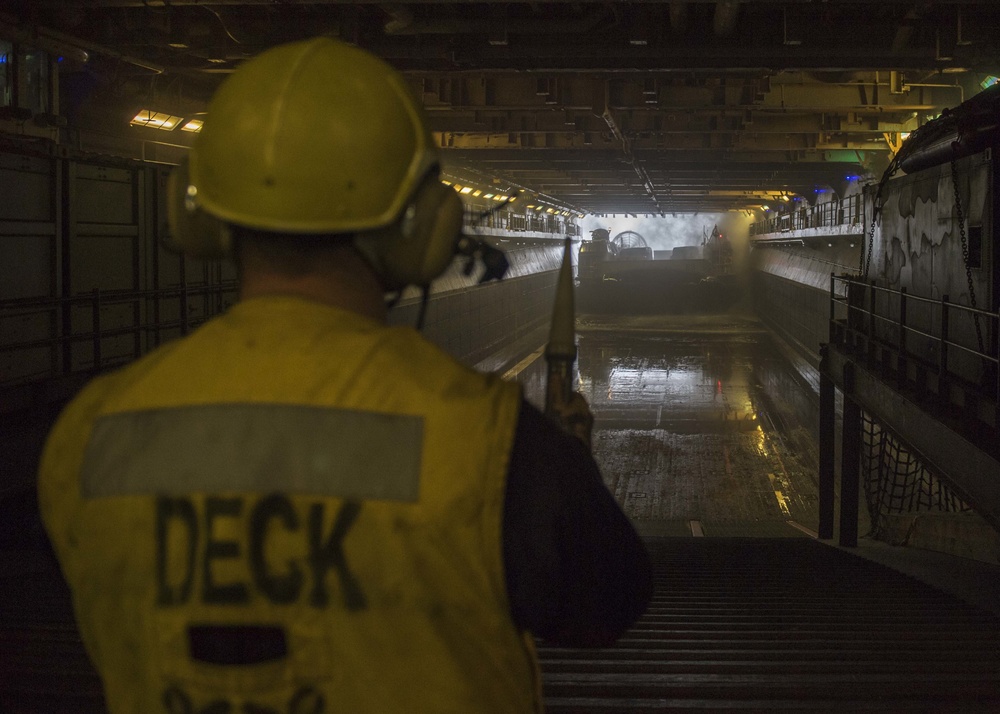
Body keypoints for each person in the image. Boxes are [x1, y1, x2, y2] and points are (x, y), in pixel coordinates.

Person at [38, 37, 652, 714]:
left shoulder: (87, 436)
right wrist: (572, 454)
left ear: (196, 213)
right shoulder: (492, 444)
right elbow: (604, 609)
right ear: (420, 227)